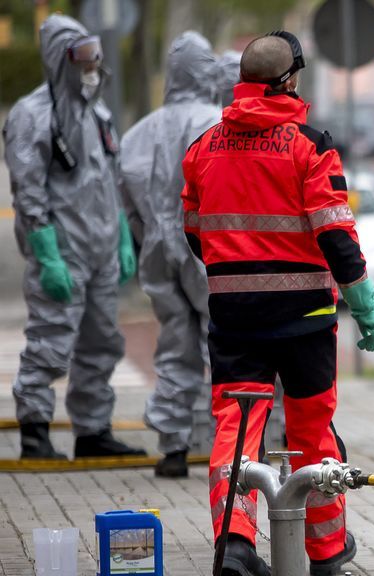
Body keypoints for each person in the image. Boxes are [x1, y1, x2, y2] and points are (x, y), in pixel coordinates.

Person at [182, 32, 374, 575]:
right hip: (306, 321)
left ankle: (237, 548)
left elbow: (194, 232)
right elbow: (336, 234)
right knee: (311, 431)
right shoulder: (310, 146)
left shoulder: (203, 148)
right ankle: (325, 552)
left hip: (234, 316)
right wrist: (363, 300)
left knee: (237, 429)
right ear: (290, 80)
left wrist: (237, 271)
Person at [3, 14, 143, 461]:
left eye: (95, 56)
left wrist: (123, 237)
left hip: (101, 249)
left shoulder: (97, 112)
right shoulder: (32, 115)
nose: (91, 65)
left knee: (102, 342)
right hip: (62, 250)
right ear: (58, 58)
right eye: (82, 57)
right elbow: (27, 189)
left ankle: (92, 429)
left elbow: (110, 180)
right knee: (50, 339)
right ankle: (34, 428)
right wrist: (46, 252)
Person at [121, 31, 222, 478]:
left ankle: (173, 447)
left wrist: (145, 237)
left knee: (175, 344)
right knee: (222, 344)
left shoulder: (141, 131)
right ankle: (233, 445)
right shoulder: (218, 123)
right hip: (205, 248)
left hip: (158, 249)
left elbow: (126, 199)